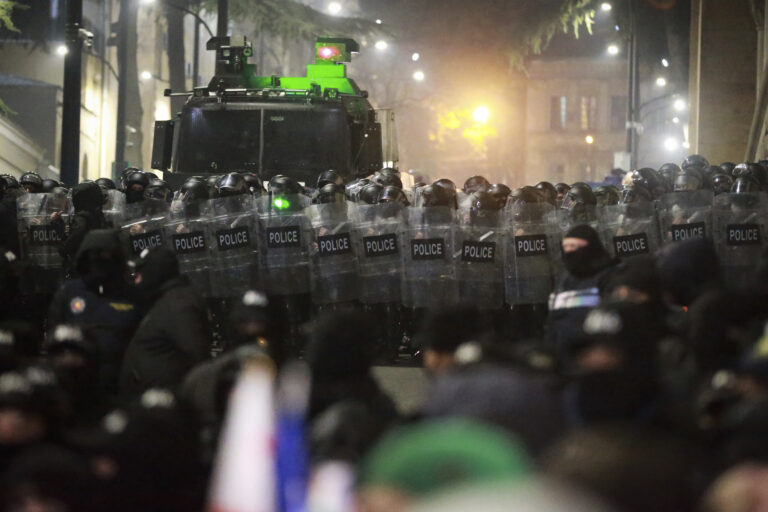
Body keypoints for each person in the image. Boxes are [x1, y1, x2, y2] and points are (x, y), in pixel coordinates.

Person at [48, 229, 139, 394]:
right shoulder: (70, 292)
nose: (100, 261)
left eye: (106, 255)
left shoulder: (130, 294)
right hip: (75, 384)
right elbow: (54, 333)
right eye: (95, 255)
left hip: (120, 382)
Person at [119, 248, 211, 396]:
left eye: (141, 272)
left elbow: (196, 354)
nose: (137, 279)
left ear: (155, 272)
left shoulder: (178, 305)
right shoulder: (168, 300)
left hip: (167, 399)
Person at [546, 224, 616, 358]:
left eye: (575, 247)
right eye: (566, 247)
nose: (570, 252)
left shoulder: (609, 277)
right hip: (563, 357)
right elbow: (553, 321)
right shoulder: (565, 280)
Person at [58, 181, 108, 274]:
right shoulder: (98, 215)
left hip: (81, 265)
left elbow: (76, 235)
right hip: (96, 263)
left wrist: (63, 248)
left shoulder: (82, 217)